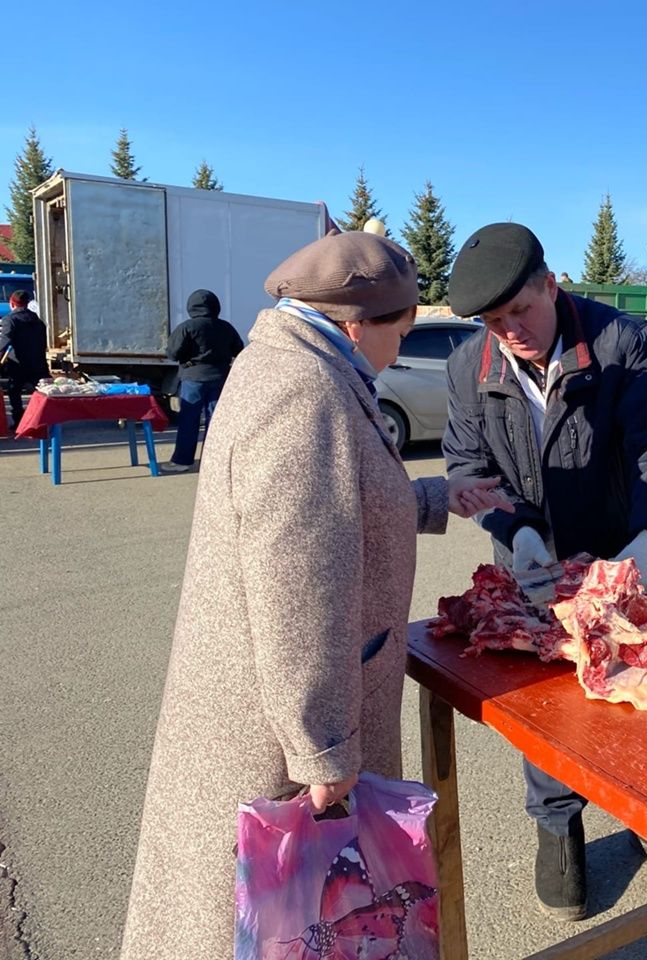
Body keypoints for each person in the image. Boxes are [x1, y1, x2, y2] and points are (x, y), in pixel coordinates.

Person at [120, 231, 511, 959]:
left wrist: (431, 497)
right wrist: (322, 747)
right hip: (276, 721)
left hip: (264, 694)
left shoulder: (292, 362)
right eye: (403, 329)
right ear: (360, 323)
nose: (402, 344)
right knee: (273, 918)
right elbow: (296, 583)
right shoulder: (305, 394)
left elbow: (332, 504)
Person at [443, 222, 647, 921]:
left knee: (644, 693)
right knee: (552, 710)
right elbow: (470, 468)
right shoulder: (470, 367)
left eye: (520, 310)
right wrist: (515, 527)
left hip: (627, 554)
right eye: (494, 321)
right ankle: (558, 825)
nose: (511, 330)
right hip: (535, 565)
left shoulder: (619, 341)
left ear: (550, 284)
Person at [161, 289, 244, 472]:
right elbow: (239, 349)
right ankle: (212, 462)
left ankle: (183, 461)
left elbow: (173, 353)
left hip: (193, 378)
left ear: (191, 306)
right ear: (216, 306)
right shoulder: (226, 327)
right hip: (220, 378)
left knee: (189, 421)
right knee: (215, 422)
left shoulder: (187, 327)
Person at [0, 290, 50, 431]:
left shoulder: (10, 320)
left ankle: (19, 421)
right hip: (38, 363)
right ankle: (44, 420)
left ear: (11, 303)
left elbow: (4, 342)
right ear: (27, 303)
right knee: (43, 392)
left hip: (18, 364)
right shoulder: (38, 321)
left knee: (14, 392)